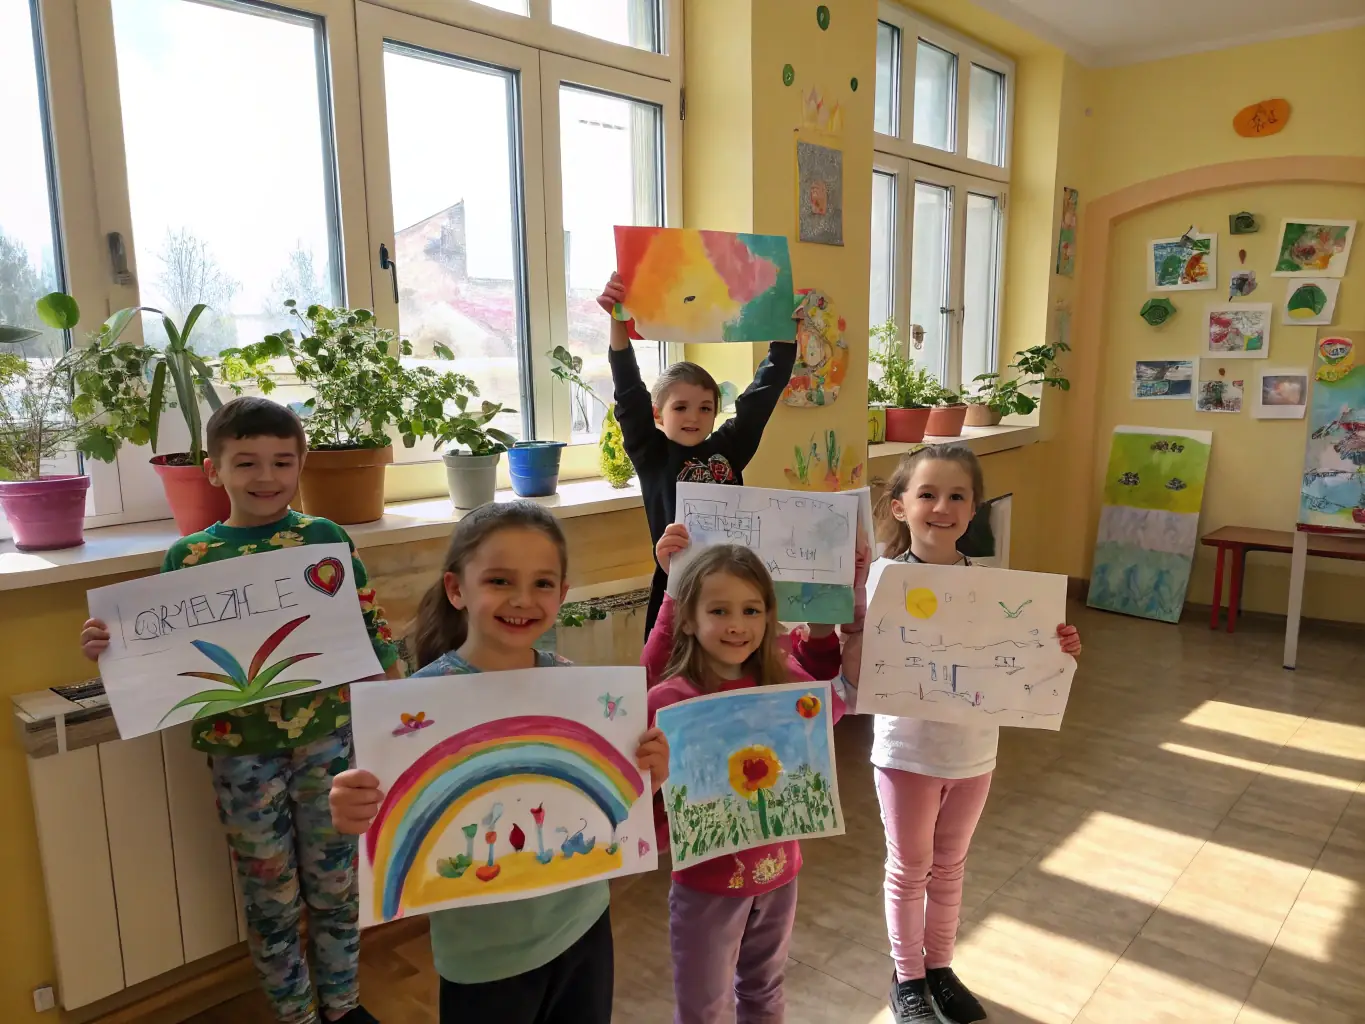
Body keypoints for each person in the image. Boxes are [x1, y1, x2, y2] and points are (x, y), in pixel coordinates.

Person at [80, 396, 402, 1024]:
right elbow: (163, 654)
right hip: (239, 756)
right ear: (213, 470)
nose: (266, 477)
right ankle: (296, 1014)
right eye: (247, 462)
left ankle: (343, 1006)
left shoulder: (324, 538)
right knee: (270, 897)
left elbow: (369, 624)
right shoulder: (191, 557)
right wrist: (109, 649)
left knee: (336, 888)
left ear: (302, 464)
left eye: (283, 462)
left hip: (329, 743)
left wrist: (402, 702)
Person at [328, 501, 671, 1024]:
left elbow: (616, 797)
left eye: (542, 583)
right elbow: (380, 814)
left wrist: (650, 771)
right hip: (484, 960)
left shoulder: (579, 688)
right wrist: (350, 809)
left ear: (562, 592)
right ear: (456, 589)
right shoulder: (415, 708)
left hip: (584, 927)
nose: (522, 600)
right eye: (500, 581)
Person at [863, 446, 1083, 1024]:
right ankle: (907, 977)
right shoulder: (882, 582)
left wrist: (1058, 653)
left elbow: (1024, 665)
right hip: (906, 753)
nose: (942, 507)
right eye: (928, 494)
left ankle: (940, 966)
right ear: (900, 506)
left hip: (972, 754)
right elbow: (858, 663)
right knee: (909, 867)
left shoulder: (996, 591)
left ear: (975, 508)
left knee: (951, 865)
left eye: (957, 495)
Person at [645, 534, 858, 1024]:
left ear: (769, 617)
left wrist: (846, 597)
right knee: (704, 1006)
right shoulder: (670, 701)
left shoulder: (784, 681)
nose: (737, 625)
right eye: (719, 611)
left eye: (752, 610)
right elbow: (654, 807)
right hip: (706, 886)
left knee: (764, 988)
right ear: (691, 621)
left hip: (781, 874)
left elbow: (834, 709)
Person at [598, 272, 798, 638]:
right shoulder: (651, 451)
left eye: (706, 408)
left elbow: (762, 395)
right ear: (658, 414)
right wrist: (617, 320)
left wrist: (783, 331)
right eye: (681, 407)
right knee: (671, 678)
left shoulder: (729, 447)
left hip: (733, 583)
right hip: (677, 586)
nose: (694, 417)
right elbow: (628, 390)